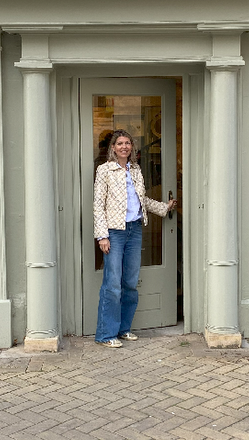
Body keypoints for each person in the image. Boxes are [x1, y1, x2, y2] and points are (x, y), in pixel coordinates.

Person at [93, 129, 177, 348]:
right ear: (113, 148)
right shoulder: (105, 170)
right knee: (112, 284)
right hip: (114, 232)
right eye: (120, 143)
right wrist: (102, 235)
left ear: (132, 147)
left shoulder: (136, 170)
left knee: (130, 283)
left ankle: (123, 329)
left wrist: (163, 208)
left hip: (134, 229)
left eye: (127, 143)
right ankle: (105, 334)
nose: (124, 147)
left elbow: (142, 199)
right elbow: (98, 205)